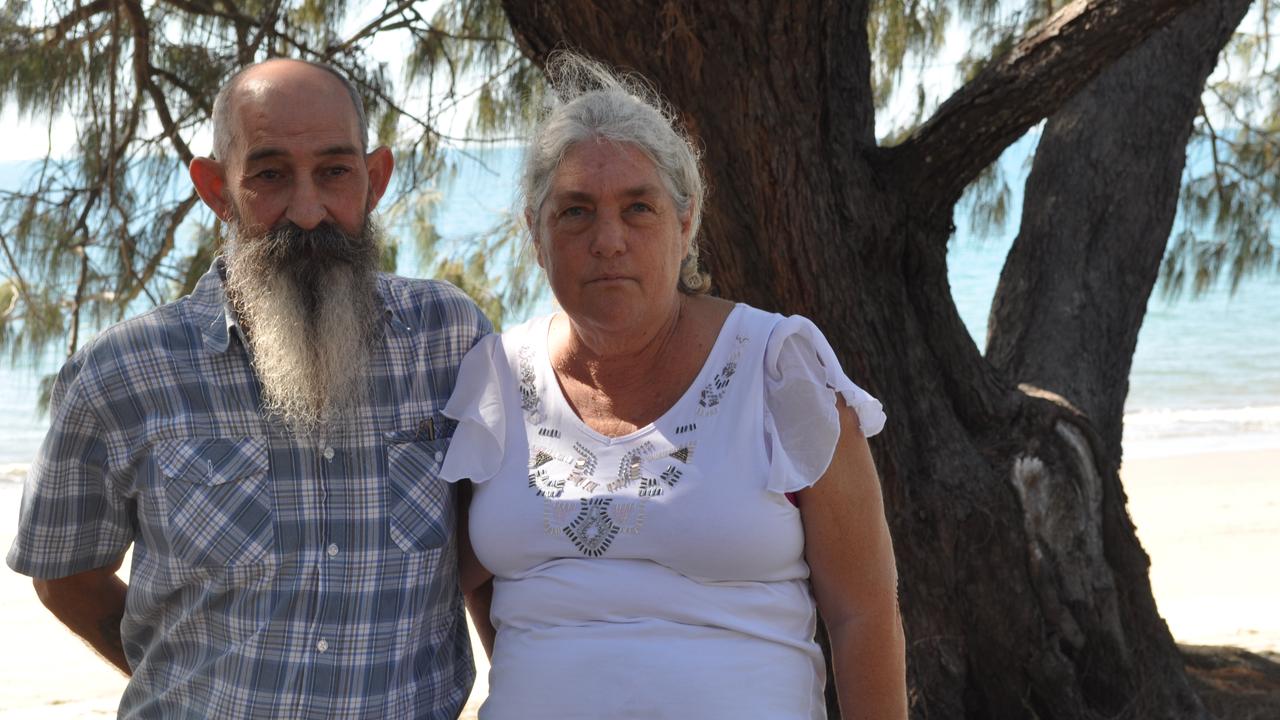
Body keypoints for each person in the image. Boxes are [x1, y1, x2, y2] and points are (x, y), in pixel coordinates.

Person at [7, 59, 488, 719]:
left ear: (375, 180)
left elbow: (497, 546)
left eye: (335, 171)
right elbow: (65, 576)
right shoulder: (122, 372)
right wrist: (176, 675)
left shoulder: (449, 339)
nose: (308, 209)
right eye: (269, 174)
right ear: (215, 188)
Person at [440, 53, 907, 719]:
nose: (608, 240)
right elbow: (490, 594)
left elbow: (863, 615)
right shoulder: (496, 378)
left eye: (638, 208)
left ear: (686, 224)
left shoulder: (777, 369)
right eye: (575, 212)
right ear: (536, 235)